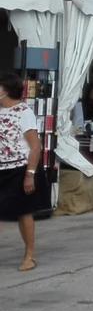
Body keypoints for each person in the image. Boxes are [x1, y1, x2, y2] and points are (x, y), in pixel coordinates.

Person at [0, 72, 42, 271]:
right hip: (1, 168)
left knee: (23, 212)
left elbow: (35, 146)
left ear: (5, 90)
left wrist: (30, 175)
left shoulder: (23, 112)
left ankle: (30, 255)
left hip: (19, 169)